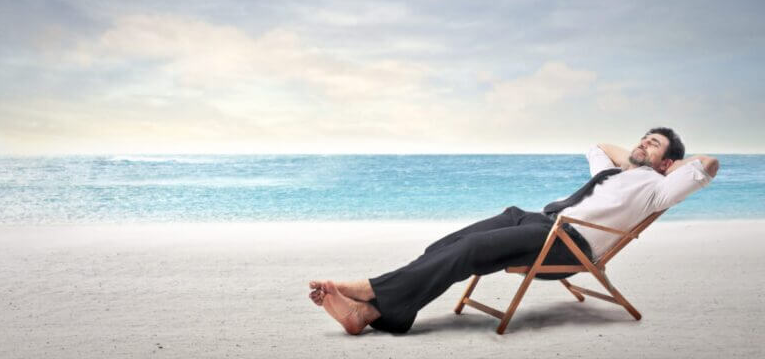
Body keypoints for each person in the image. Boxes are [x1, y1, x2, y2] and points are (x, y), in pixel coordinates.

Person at [308, 127, 720, 335]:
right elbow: (598, 147)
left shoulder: (658, 188)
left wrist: (662, 166)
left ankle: (368, 294)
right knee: (446, 244)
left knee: (470, 250)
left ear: (668, 164)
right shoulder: (616, 173)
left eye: (654, 145)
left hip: (568, 245)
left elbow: (708, 163)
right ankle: (377, 309)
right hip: (539, 222)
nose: (643, 145)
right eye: (643, 139)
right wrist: (638, 156)